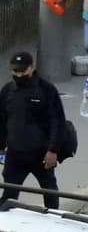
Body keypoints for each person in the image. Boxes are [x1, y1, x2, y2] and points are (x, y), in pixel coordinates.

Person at [0, 51, 66, 208]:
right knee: (8, 197)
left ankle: (53, 219)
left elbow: (57, 121)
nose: (19, 74)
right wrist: (1, 146)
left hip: (41, 155)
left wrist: (53, 150)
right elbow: (1, 120)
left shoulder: (46, 89)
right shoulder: (7, 91)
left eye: (23, 71)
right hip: (15, 155)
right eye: (15, 71)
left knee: (50, 193)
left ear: (32, 68)